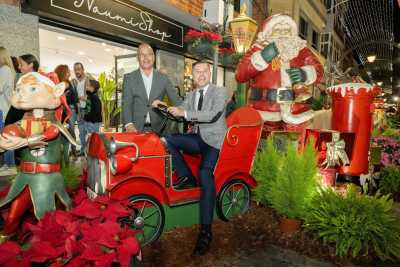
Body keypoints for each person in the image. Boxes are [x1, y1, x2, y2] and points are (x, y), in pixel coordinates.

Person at [154, 60, 227, 256]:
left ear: (209, 73)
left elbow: (211, 115)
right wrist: (164, 106)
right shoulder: (191, 94)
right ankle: (186, 177)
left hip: (213, 141)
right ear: (192, 76)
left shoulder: (219, 91)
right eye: (197, 72)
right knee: (168, 139)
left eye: (204, 71)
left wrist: (184, 112)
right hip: (198, 137)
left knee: (205, 173)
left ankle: (206, 231)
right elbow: (179, 113)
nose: (201, 75)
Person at [235, 14, 323, 132]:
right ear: (268, 32)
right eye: (277, 30)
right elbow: (240, 74)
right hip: (264, 112)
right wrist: (263, 56)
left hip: (297, 113)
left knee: (296, 147)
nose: (283, 33)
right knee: (263, 146)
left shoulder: (302, 50)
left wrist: (305, 74)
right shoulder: (257, 50)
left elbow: (319, 70)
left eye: (287, 30)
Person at [122, 43, 181, 134]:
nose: (146, 58)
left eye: (149, 54)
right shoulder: (129, 78)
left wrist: (165, 107)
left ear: (153, 57)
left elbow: (177, 102)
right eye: (142, 54)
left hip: (159, 131)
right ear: (138, 58)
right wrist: (128, 124)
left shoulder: (164, 78)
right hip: (135, 130)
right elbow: (126, 104)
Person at [5, 54, 40, 126]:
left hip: (21, 121)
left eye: (21, 64)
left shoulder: (36, 81)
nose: (19, 67)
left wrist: (30, 114)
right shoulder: (24, 79)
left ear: (30, 65)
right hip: (15, 119)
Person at [54, 64, 79, 156]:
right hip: (65, 109)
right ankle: (71, 150)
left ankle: (73, 150)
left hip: (68, 109)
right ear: (63, 73)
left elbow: (74, 98)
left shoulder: (67, 83)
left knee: (70, 130)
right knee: (68, 130)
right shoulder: (64, 84)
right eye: (67, 72)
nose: (69, 73)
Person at [0, 47, 16, 174]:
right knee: (6, 137)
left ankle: (10, 165)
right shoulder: (6, 70)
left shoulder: (5, 70)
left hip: (3, 109)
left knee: (6, 138)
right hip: (4, 108)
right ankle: (8, 164)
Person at [71, 62, 91, 155]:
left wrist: (79, 98)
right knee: (79, 130)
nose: (77, 71)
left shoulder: (88, 80)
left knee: (85, 131)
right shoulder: (74, 81)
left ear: (83, 70)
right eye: (75, 69)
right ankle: (81, 150)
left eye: (79, 69)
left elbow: (89, 96)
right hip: (78, 109)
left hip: (85, 109)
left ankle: (86, 150)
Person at [81, 79, 102, 153]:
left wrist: (88, 118)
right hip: (89, 121)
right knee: (90, 139)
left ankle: (94, 153)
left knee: (93, 139)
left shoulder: (94, 98)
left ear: (93, 88)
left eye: (88, 85)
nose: (86, 87)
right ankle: (91, 153)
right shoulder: (91, 97)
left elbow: (96, 111)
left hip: (93, 122)